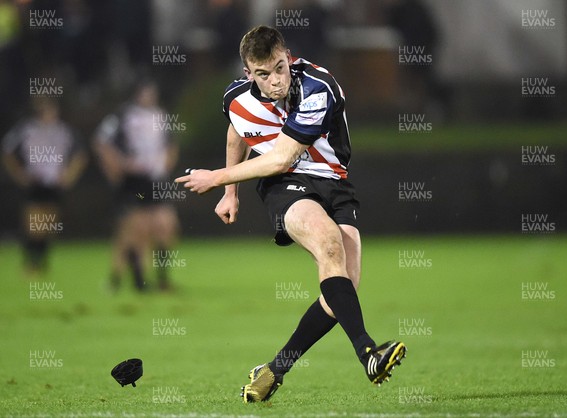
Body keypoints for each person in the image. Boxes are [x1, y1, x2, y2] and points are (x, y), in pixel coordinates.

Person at [176, 25, 406, 402]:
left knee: (342, 291)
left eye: (279, 68)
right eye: (263, 74)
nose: (275, 81)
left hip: (334, 183)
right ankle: (368, 352)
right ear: (249, 73)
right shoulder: (236, 97)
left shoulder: (318, 86)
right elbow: (239, 131)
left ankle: (273, 369)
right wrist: (231, 192)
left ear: (289, 57)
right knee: (329, 245)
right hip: (284, 185)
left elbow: (283, 152)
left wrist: (217, 178)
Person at [94, 80, 179, 291]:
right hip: (134, 183)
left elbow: (171, 145)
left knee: (165, 225)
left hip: (155, 180)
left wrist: (165, 166)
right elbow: (101, 142)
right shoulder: (123, 115)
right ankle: (137, 281)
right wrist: (116, 166)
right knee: (136, 229)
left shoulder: (161, 115)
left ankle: (162, 280)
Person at [2, 97, 86, 274]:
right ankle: (30, 263)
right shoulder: (27, 129)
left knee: (48, 224)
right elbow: (7, 150)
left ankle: (42, 262)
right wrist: (19, 174)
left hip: (54, 183)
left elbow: (80, 155)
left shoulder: (63, 131)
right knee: (33, 225)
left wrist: (69, 176)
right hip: (35, 182)